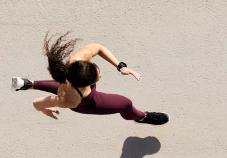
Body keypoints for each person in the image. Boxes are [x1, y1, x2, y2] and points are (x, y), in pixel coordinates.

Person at [11, 31, 169, 125]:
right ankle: (142, 117)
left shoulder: (77, 61)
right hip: (84, 103)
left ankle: (26, 84)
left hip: (69, 86)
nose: (100, 73)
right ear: (88, 84)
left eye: (96, 69)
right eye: (98, 75)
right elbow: (36, 103)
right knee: (126, 103)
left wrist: (121, 66)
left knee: (57, 85)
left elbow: (98, 47)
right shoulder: (70, 99)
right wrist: (45, 109)